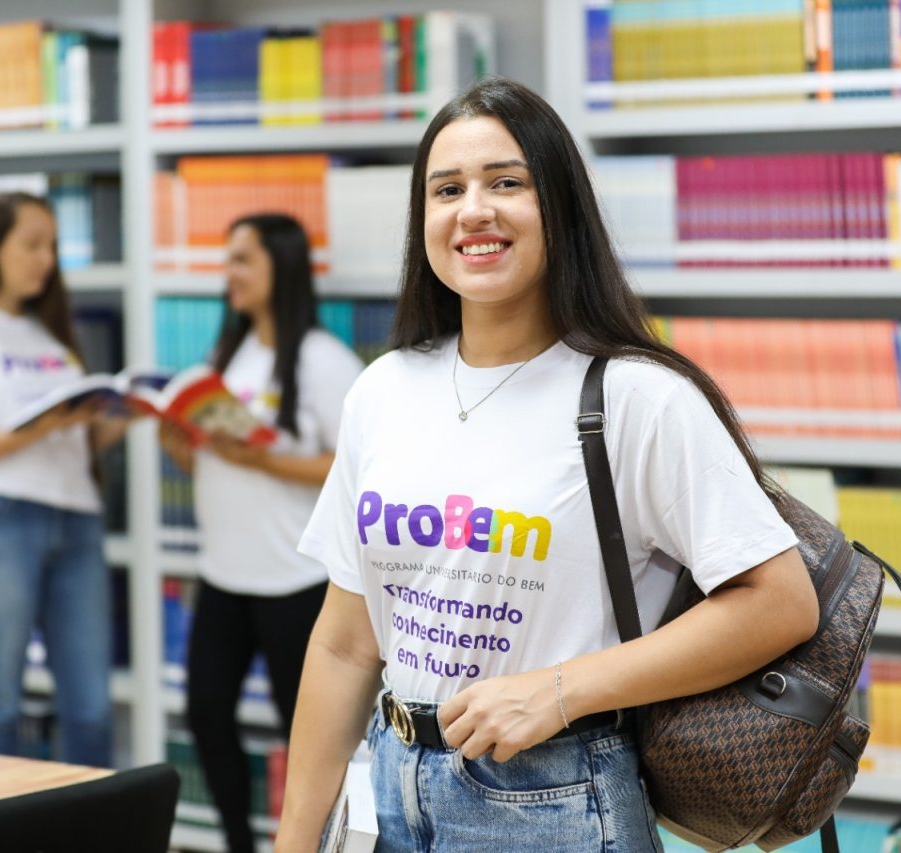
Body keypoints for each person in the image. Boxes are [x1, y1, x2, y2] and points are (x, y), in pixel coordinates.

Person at [275, 77, 821, 852]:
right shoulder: (384, 389)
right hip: (391, 785)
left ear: (559, 208)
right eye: (447, 189)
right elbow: (345, 642)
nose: (474, 210)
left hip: (557, 795)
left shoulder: (636, 396)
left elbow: (781, 601)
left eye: (507, 182)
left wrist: (560, 690)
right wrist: (296, 839)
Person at [158, 213, 363, 853]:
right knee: (207, 717)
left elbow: (359, 464)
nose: (231, 274)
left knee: (307, 734)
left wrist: (266, 459)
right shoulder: (233, 353)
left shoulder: (327, 363)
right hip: (223, 573)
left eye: (243, 259)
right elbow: (209, 460)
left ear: (282, 265)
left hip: (294, 580)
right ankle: (235, 843)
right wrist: (180, 440)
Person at [0, 191, 131, 767]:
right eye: (32, 244)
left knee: (90, 709)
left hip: (76, 521)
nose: (46, 259)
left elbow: (72, 439)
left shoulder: (48, 335)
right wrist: (38, 429)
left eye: (53, 247)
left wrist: (123, 418)